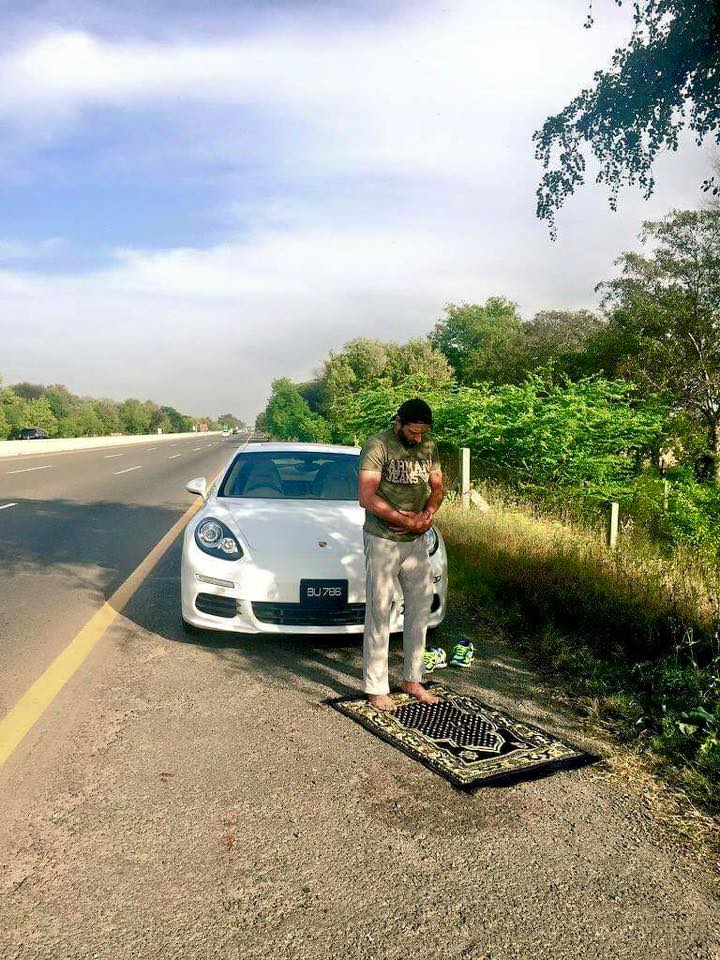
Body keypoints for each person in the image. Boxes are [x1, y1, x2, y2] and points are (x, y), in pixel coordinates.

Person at [357, 398, 444, 711]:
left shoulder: (429, 447)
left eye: (422, 432)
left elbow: (437, 487)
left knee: (420, 609)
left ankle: (412, 679)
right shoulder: (377, 446)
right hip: (383, 539)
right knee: (380, 610)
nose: (418, 438)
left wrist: (429, 513)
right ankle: (376, 686)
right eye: (413, 432)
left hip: (416, 541)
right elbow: (366, 497)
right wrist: (406, 520)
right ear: (398, 422)